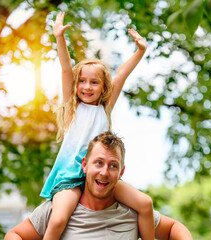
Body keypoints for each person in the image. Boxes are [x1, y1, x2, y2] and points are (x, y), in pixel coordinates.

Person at [39, 12, 154, 240]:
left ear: (103, 88)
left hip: (99, 175)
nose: (87, 87)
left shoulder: (104, 110)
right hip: (71, 177)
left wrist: (140, 51)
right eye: (82, 81)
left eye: (94, 82)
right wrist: (59, 37)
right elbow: (65, 69)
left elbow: (121, 74)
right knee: (59, 219)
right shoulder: (72, 110)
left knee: (145, 204)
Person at [5, 131, 192, 240]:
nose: (104, 172)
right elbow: (14, 235)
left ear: (121, 172)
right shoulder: (56, 210)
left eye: (113, 166)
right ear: (85, 165)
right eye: (99, 163)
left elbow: (174, 228)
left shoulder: (132, 212)